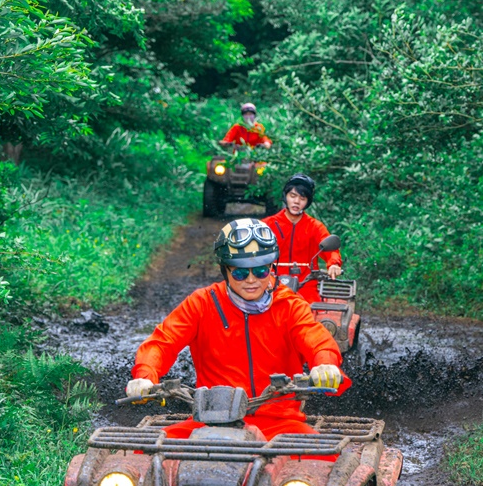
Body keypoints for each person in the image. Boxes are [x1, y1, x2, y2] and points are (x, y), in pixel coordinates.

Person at [125, 218, 347, 440]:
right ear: (225, 271)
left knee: (321, 460)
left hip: (278, 423)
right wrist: (145, 376)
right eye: (240, 273)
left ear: (272, 267)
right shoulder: (202, 303)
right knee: (143, 456)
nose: (251, 280)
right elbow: (162, 342)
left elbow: (316, 338)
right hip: (210, 422)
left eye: (260, 271)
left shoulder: (290, 305)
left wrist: (325, 365)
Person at [264, 173, 343, 305]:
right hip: (271, 284)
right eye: (292, 196)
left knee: (314, 317)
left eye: (302, 198)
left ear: (307, 202)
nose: (296, 201)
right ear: (285, 197)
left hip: (305, 287)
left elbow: (330, 248)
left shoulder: (314, 226)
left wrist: (334, 264)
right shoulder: (267, 225)